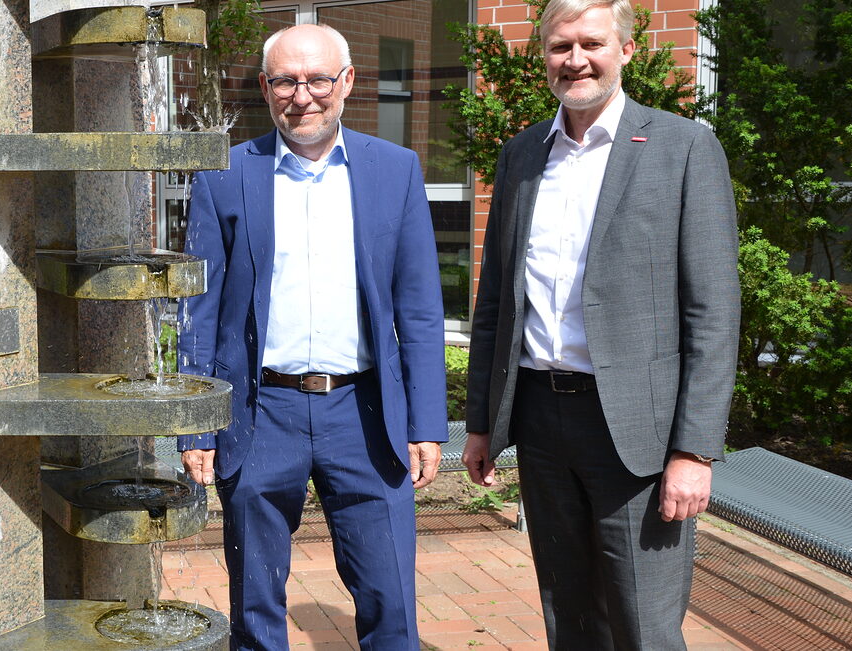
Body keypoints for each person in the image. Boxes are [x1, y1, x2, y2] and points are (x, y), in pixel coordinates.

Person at [462, 0, 739, 647]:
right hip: (540, 422)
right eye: (561, 46)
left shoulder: (684, 148)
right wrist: (481, 421)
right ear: (544, 55)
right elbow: (496, 304)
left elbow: (713, 313)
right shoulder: (522, 155)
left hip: (636, 438)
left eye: (592, 42)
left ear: (627, 51)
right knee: (570, 616)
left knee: (643, 626)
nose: (576, 58)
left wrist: (694, 451)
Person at [176, 23, 447, 651]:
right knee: (255, 602)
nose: (303, 96)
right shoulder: (225, 176)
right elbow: (200, 311)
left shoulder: (394, 170)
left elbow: (421, 310)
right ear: (266, 89)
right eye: (285, 81)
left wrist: (426, 421)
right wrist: (197, 424)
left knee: (389, 598)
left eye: (318, 78)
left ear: (347, 82)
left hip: (365, 414)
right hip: (259, 412)